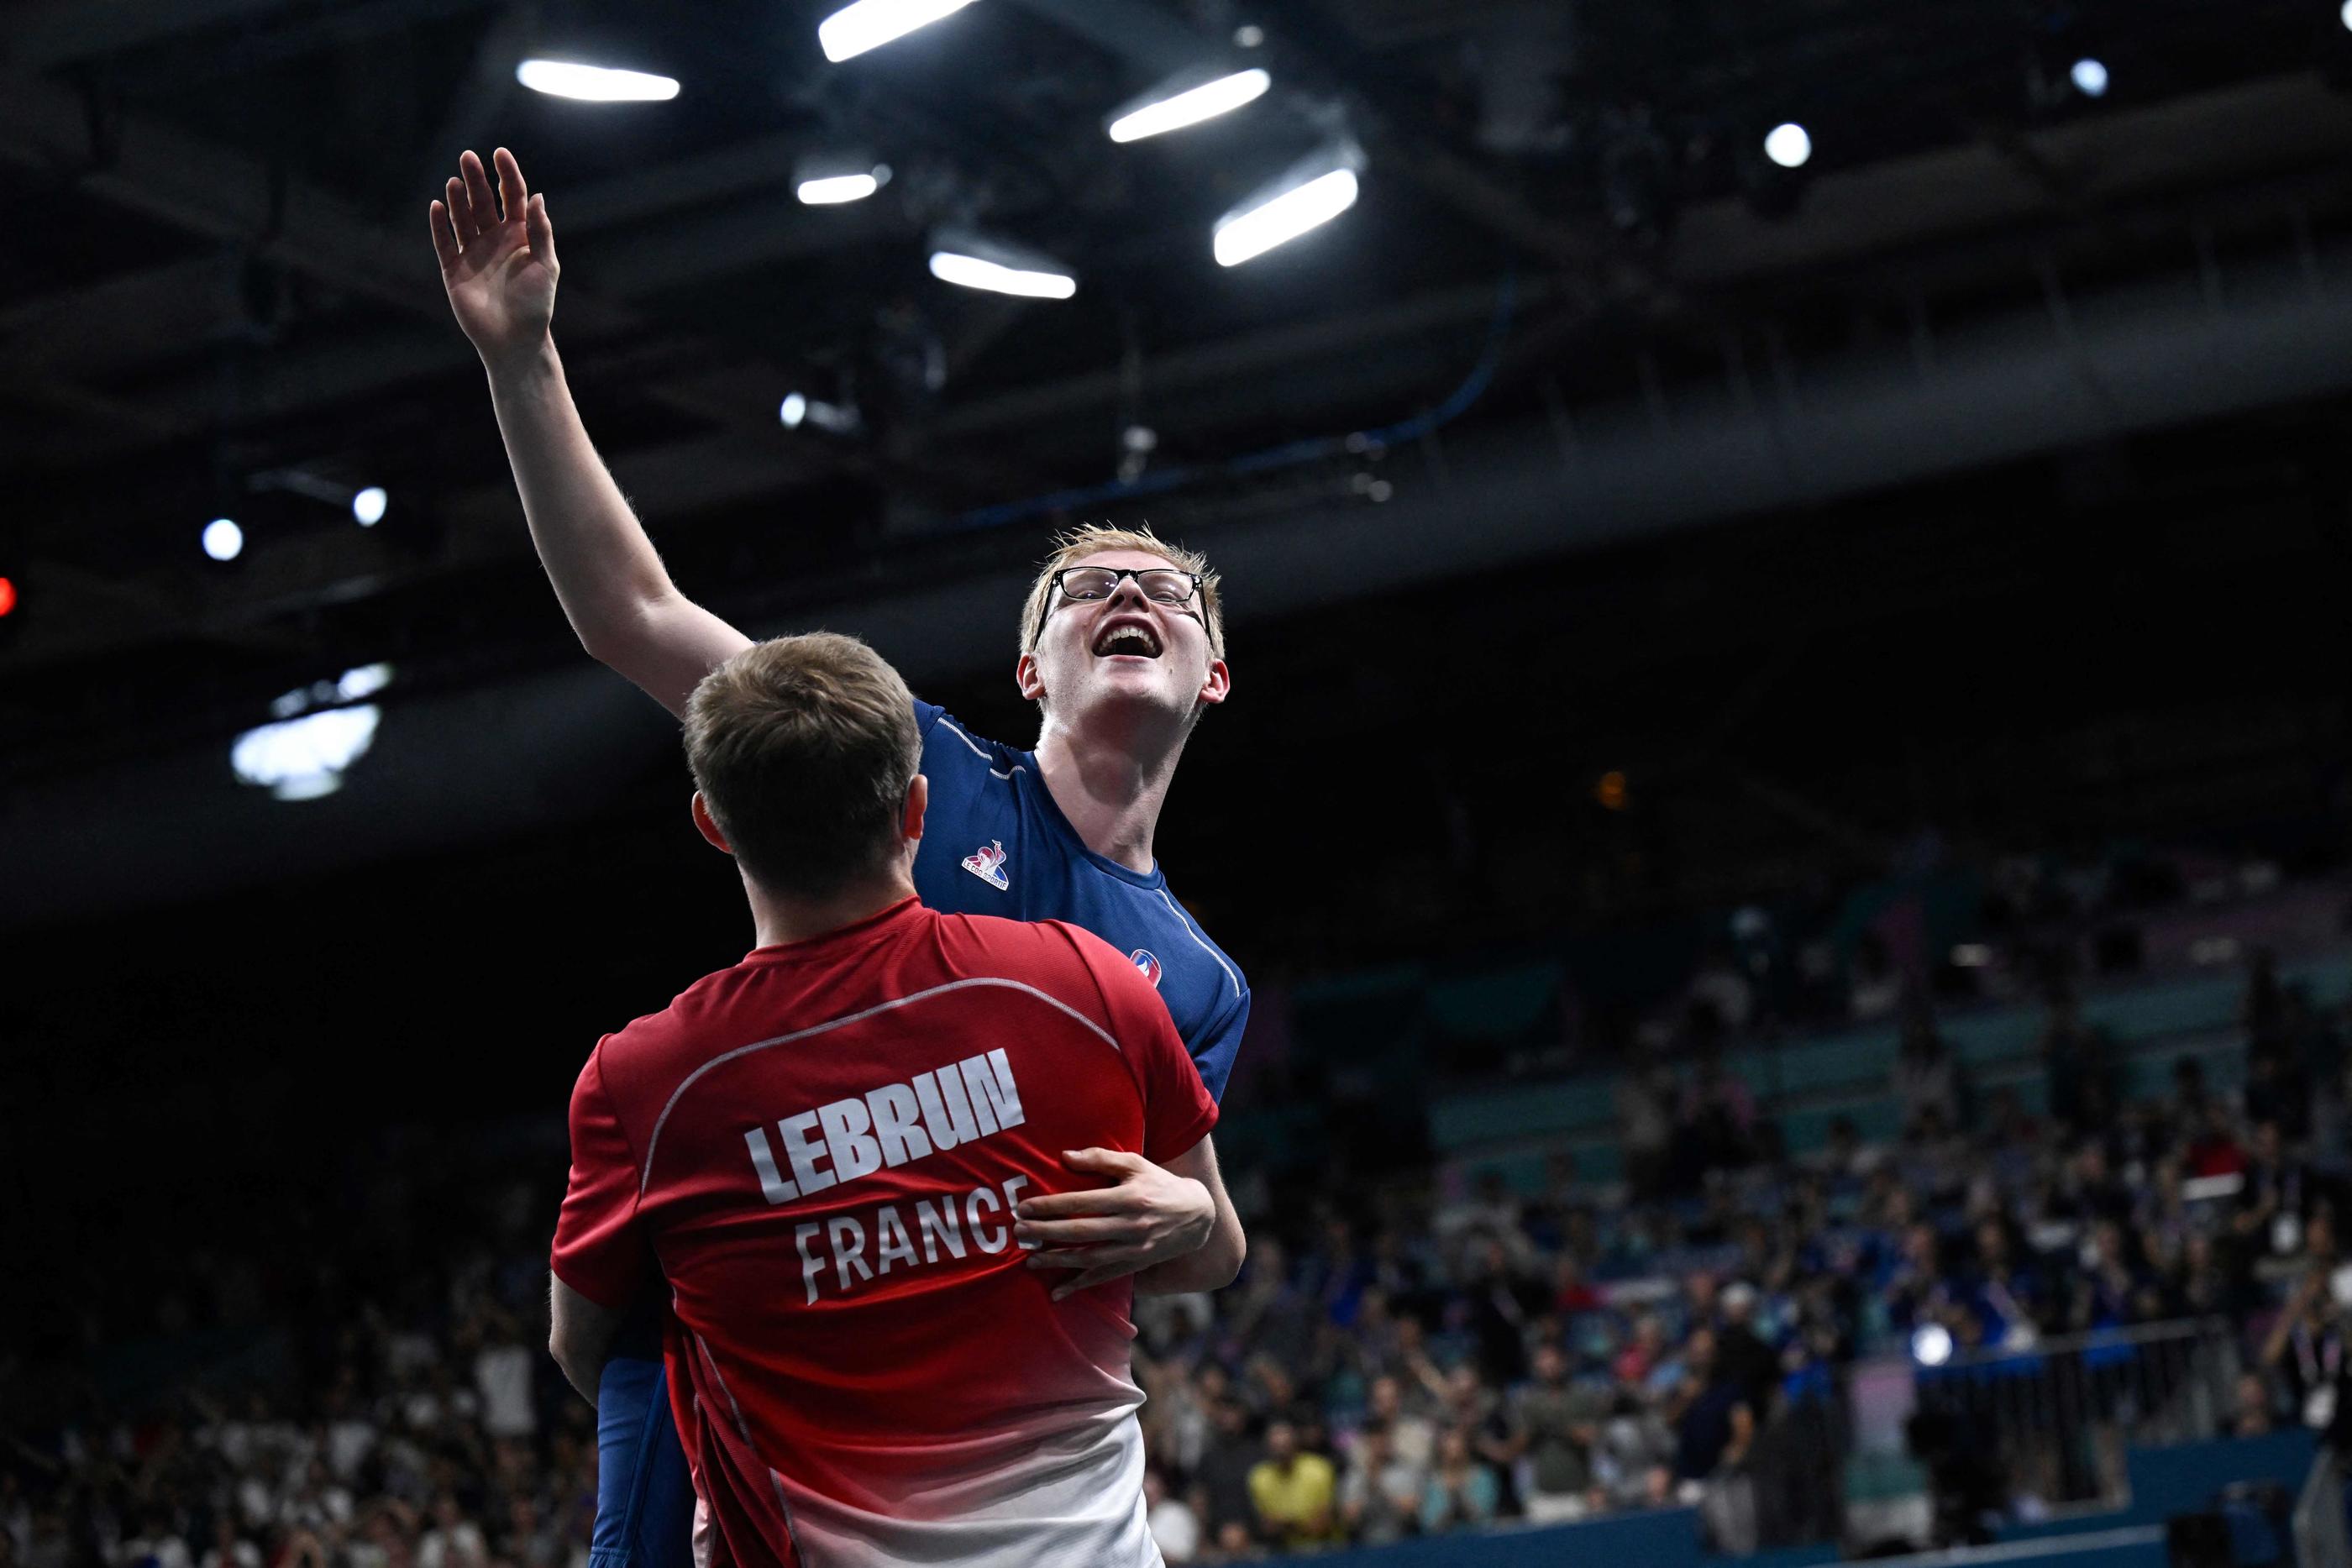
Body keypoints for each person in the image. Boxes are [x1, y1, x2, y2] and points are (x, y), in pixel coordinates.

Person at [430, 149, 1253, 1564]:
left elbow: (1175, 1245)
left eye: (1164, 587)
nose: (1126, 588)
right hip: (726, 1374)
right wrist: (523, 362)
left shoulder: (1189, 977)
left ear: (1216, 671)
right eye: (1084, 586)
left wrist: (1190, 1217)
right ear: (1028, 669)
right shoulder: (903, 752)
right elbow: (635, 613)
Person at [547, 633, 1245, 1565]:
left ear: (712, 824)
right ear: (917, 808)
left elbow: (587, 1345)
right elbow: (1214, 1245)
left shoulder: (645, 1083)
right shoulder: (1091, 984)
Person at [1246, 1420, 1340, 1550]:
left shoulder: (1319, 1469)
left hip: (1321, 1546)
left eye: (1285, 1445)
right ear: (1268, 1447)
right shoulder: (1259, 1477)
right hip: (1280, 1548)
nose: (1281, 1452)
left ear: (1295, 1444)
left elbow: (1321, 1524)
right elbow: (1268, 1527)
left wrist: (1286, 1525)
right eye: (1276, 1446)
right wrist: (1301, 1523)